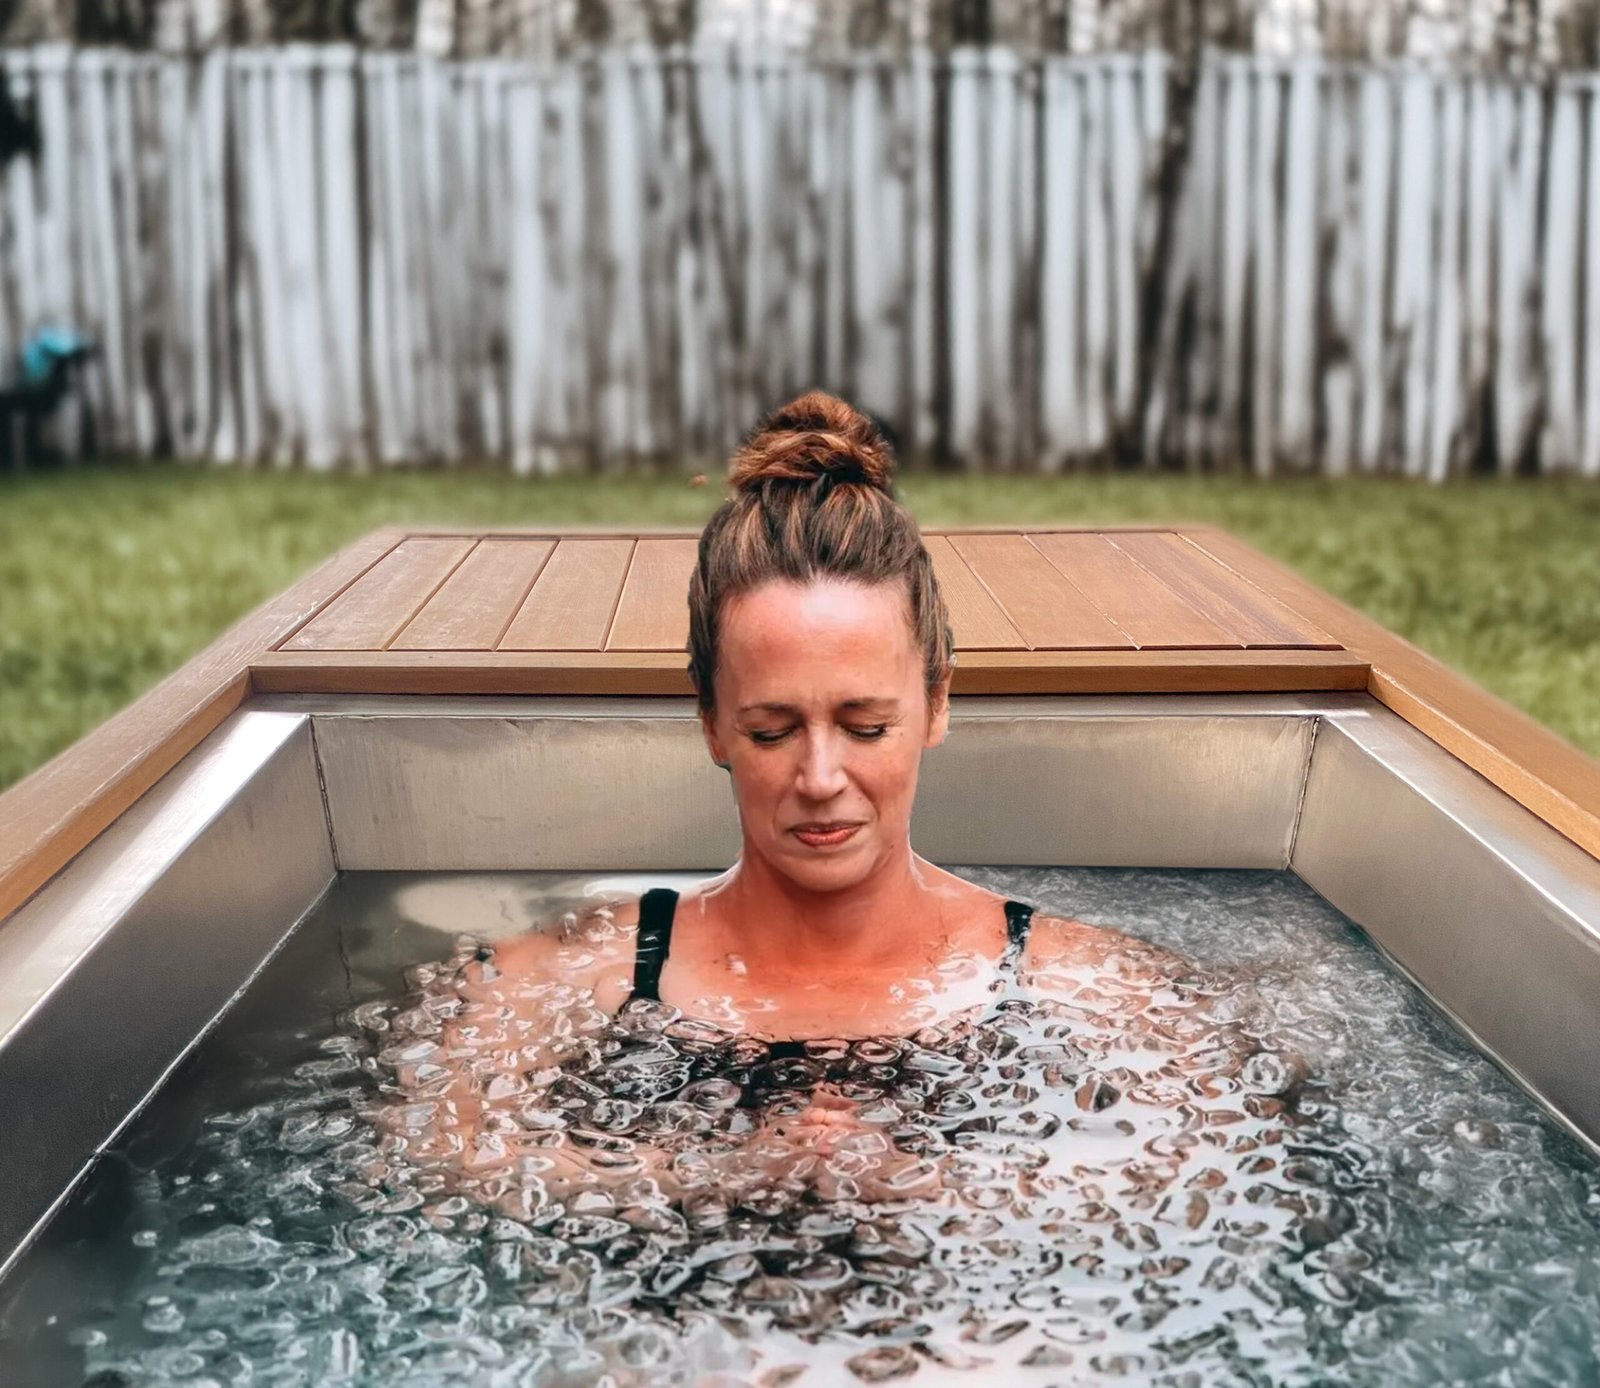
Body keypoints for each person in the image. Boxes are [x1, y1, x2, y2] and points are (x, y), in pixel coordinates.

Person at [374, 390, 1248, 1212]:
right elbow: (426, 1149)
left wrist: (931, 1192)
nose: (821, 777)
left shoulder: (1083, 980)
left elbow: (1229, 1166)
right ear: (711, 722)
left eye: (866, 725)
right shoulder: (575, 972)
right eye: (770, 731)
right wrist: (708, 1177)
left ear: (937, 704)